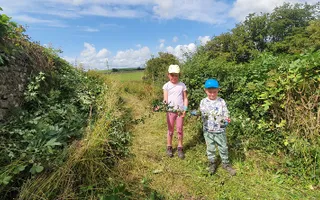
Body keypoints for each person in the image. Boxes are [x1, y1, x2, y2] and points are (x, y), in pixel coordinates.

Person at [199, 79, 236, 176]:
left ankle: (225, 163)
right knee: (210, 148)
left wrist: (226, 119)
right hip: (208, 130)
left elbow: (226, 113)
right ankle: (212, 163)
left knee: (223, 147)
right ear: (205, 91)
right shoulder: (203, 102)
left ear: (218, 90)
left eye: (214, 92)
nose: (212, 94)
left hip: (220, 130)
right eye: (210, 92)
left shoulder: (221, 101)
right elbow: (203, 113)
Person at [162, 64, 188, 159]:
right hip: (170, 112)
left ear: (179, 75)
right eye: (172, 75)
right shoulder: (166, 86)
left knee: (180, 129)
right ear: (168, 75)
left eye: (176, 75)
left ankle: (180, 147)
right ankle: (169, 146)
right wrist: (162, 106)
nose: (174, 77)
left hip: (180, 112)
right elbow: (165, 99)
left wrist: (185, 109)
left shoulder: (182, 85)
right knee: (170, 130)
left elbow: (185, 98)